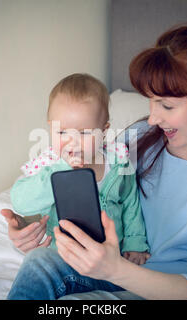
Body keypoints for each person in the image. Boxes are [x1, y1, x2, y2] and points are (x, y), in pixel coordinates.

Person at [2, 25, 187, 300]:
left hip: (182, 289)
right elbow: (91, 182)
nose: (152, 118)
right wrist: (30, 223)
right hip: (123, 267)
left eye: (166, 106)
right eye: (150, 102)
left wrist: (115, 270)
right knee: (39, 263)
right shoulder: (142, 138)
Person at [8, 73, 150, 267]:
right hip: (64, 255)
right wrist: (60, 170)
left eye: (84, 133)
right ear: (50, 130)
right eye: (62, 132)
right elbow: (21, 202)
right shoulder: (49, 164)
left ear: (104, 130)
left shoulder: (118, 162)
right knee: (36, 262)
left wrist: (135, 242)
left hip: (111, 257)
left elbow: (130, 204)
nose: (72, 141)